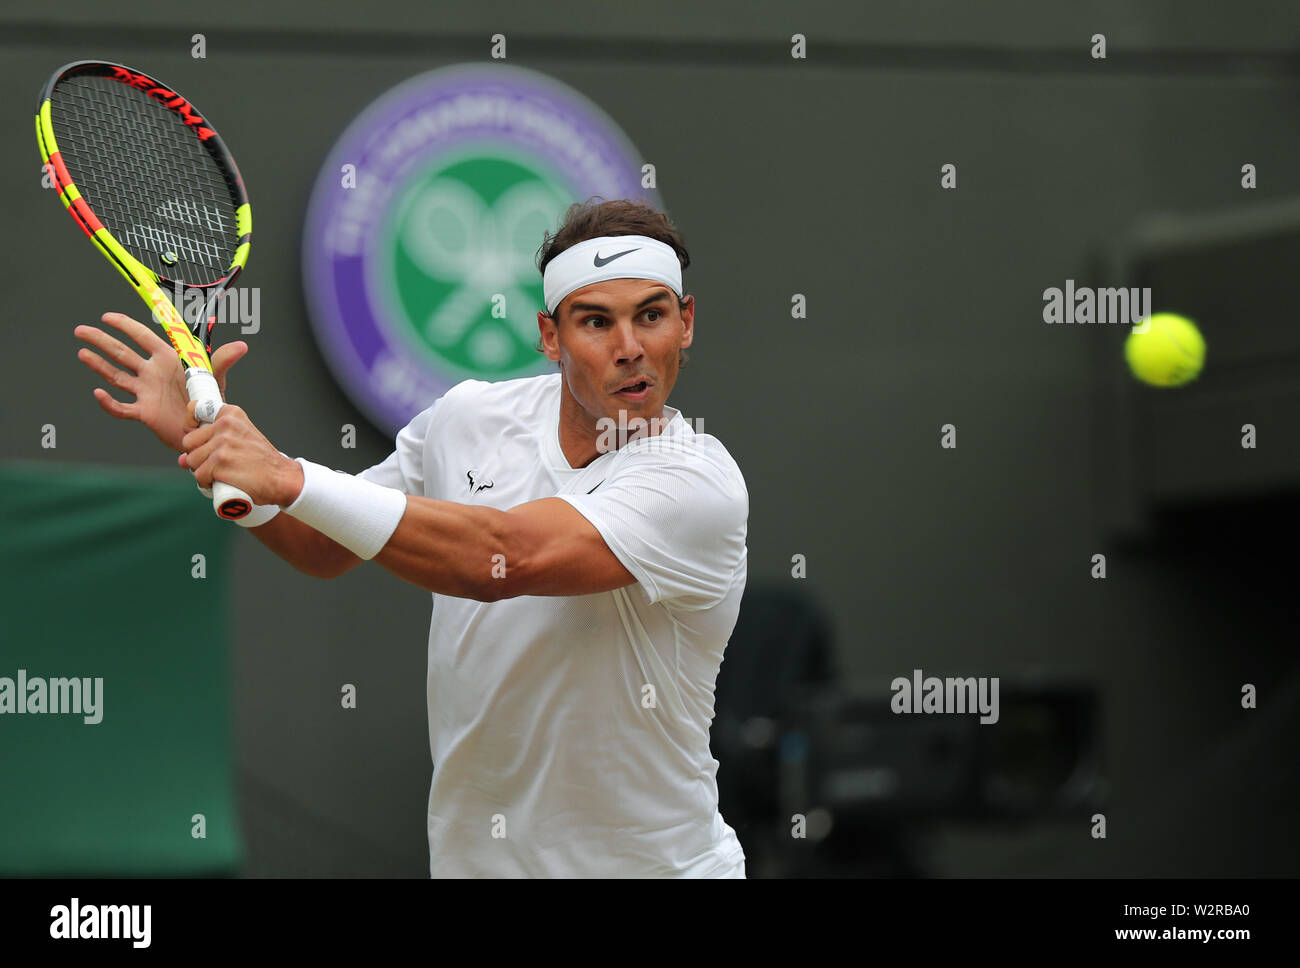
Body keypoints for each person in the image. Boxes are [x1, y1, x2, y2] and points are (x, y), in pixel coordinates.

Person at [75, 197, 749, 878]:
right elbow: (324, 546)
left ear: (685, 323)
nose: (630, 348)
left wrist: (284, 473)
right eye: (596, 322)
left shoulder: (696, 482)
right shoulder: (468, 418)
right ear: (551, 337)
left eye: (651, 316)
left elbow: (502, 559)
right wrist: (206, 445)